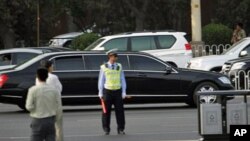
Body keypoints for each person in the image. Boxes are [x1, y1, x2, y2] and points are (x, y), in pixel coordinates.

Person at [26, 68, 63, 141]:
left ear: (37, 76)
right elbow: (59, 107)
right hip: (50, 120)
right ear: (47, 77)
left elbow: (29, 107)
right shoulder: (54, 90)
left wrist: (35, 109)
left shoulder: (32, 90)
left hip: (37, 120)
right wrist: (56, 120)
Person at [98, 51, 127, 135]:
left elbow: (122, 79)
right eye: (114, 56)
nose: (115, 58)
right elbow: (101, 80)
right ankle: (106, 129)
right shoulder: (104, 67)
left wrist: (124, 91)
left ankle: (121, 129)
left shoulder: (119, 66)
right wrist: (100, 92)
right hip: (107, 92)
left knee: (120, 111)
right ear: (110, 57)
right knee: (106, 112)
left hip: (118, 91)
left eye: (116, 56)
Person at [35, 60, 63, 141]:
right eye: (52, 66)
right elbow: (59, 89)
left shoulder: (38, 78)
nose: (53, 67)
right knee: (57, 126)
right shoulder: (53, 77)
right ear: (49, 67)